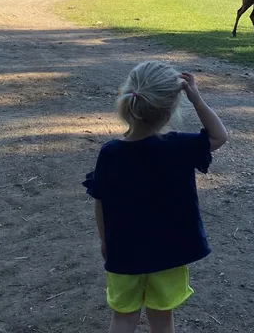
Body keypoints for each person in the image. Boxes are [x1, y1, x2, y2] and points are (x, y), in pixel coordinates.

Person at [83, 61, 228, 333]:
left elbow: (99, 202)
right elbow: (220, 136)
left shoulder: (110, 153)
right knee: (162, 317)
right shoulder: (178, 147)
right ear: (169, 109)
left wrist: (105, 242)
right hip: (169, 252)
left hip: (123, 251)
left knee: (123, 317)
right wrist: (195, 96)